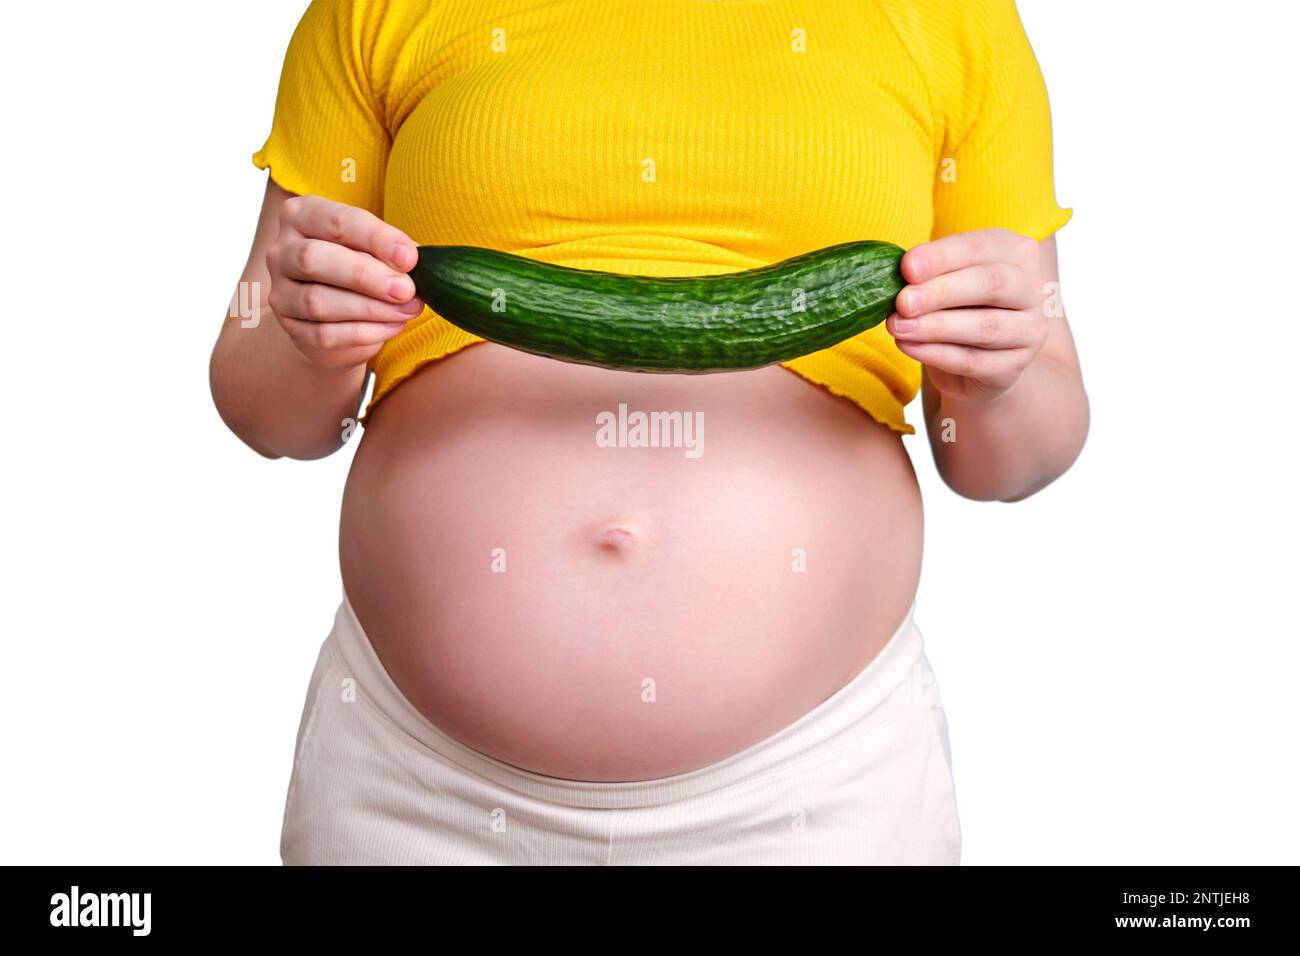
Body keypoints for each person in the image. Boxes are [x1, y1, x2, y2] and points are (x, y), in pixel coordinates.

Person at [210, 0, 1088, 865]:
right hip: (416, 795)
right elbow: (269, 410)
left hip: (814, 798)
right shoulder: (376, 9)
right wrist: (305, 335)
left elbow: (1010, 460)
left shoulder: (953, 16)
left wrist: (998, 377)